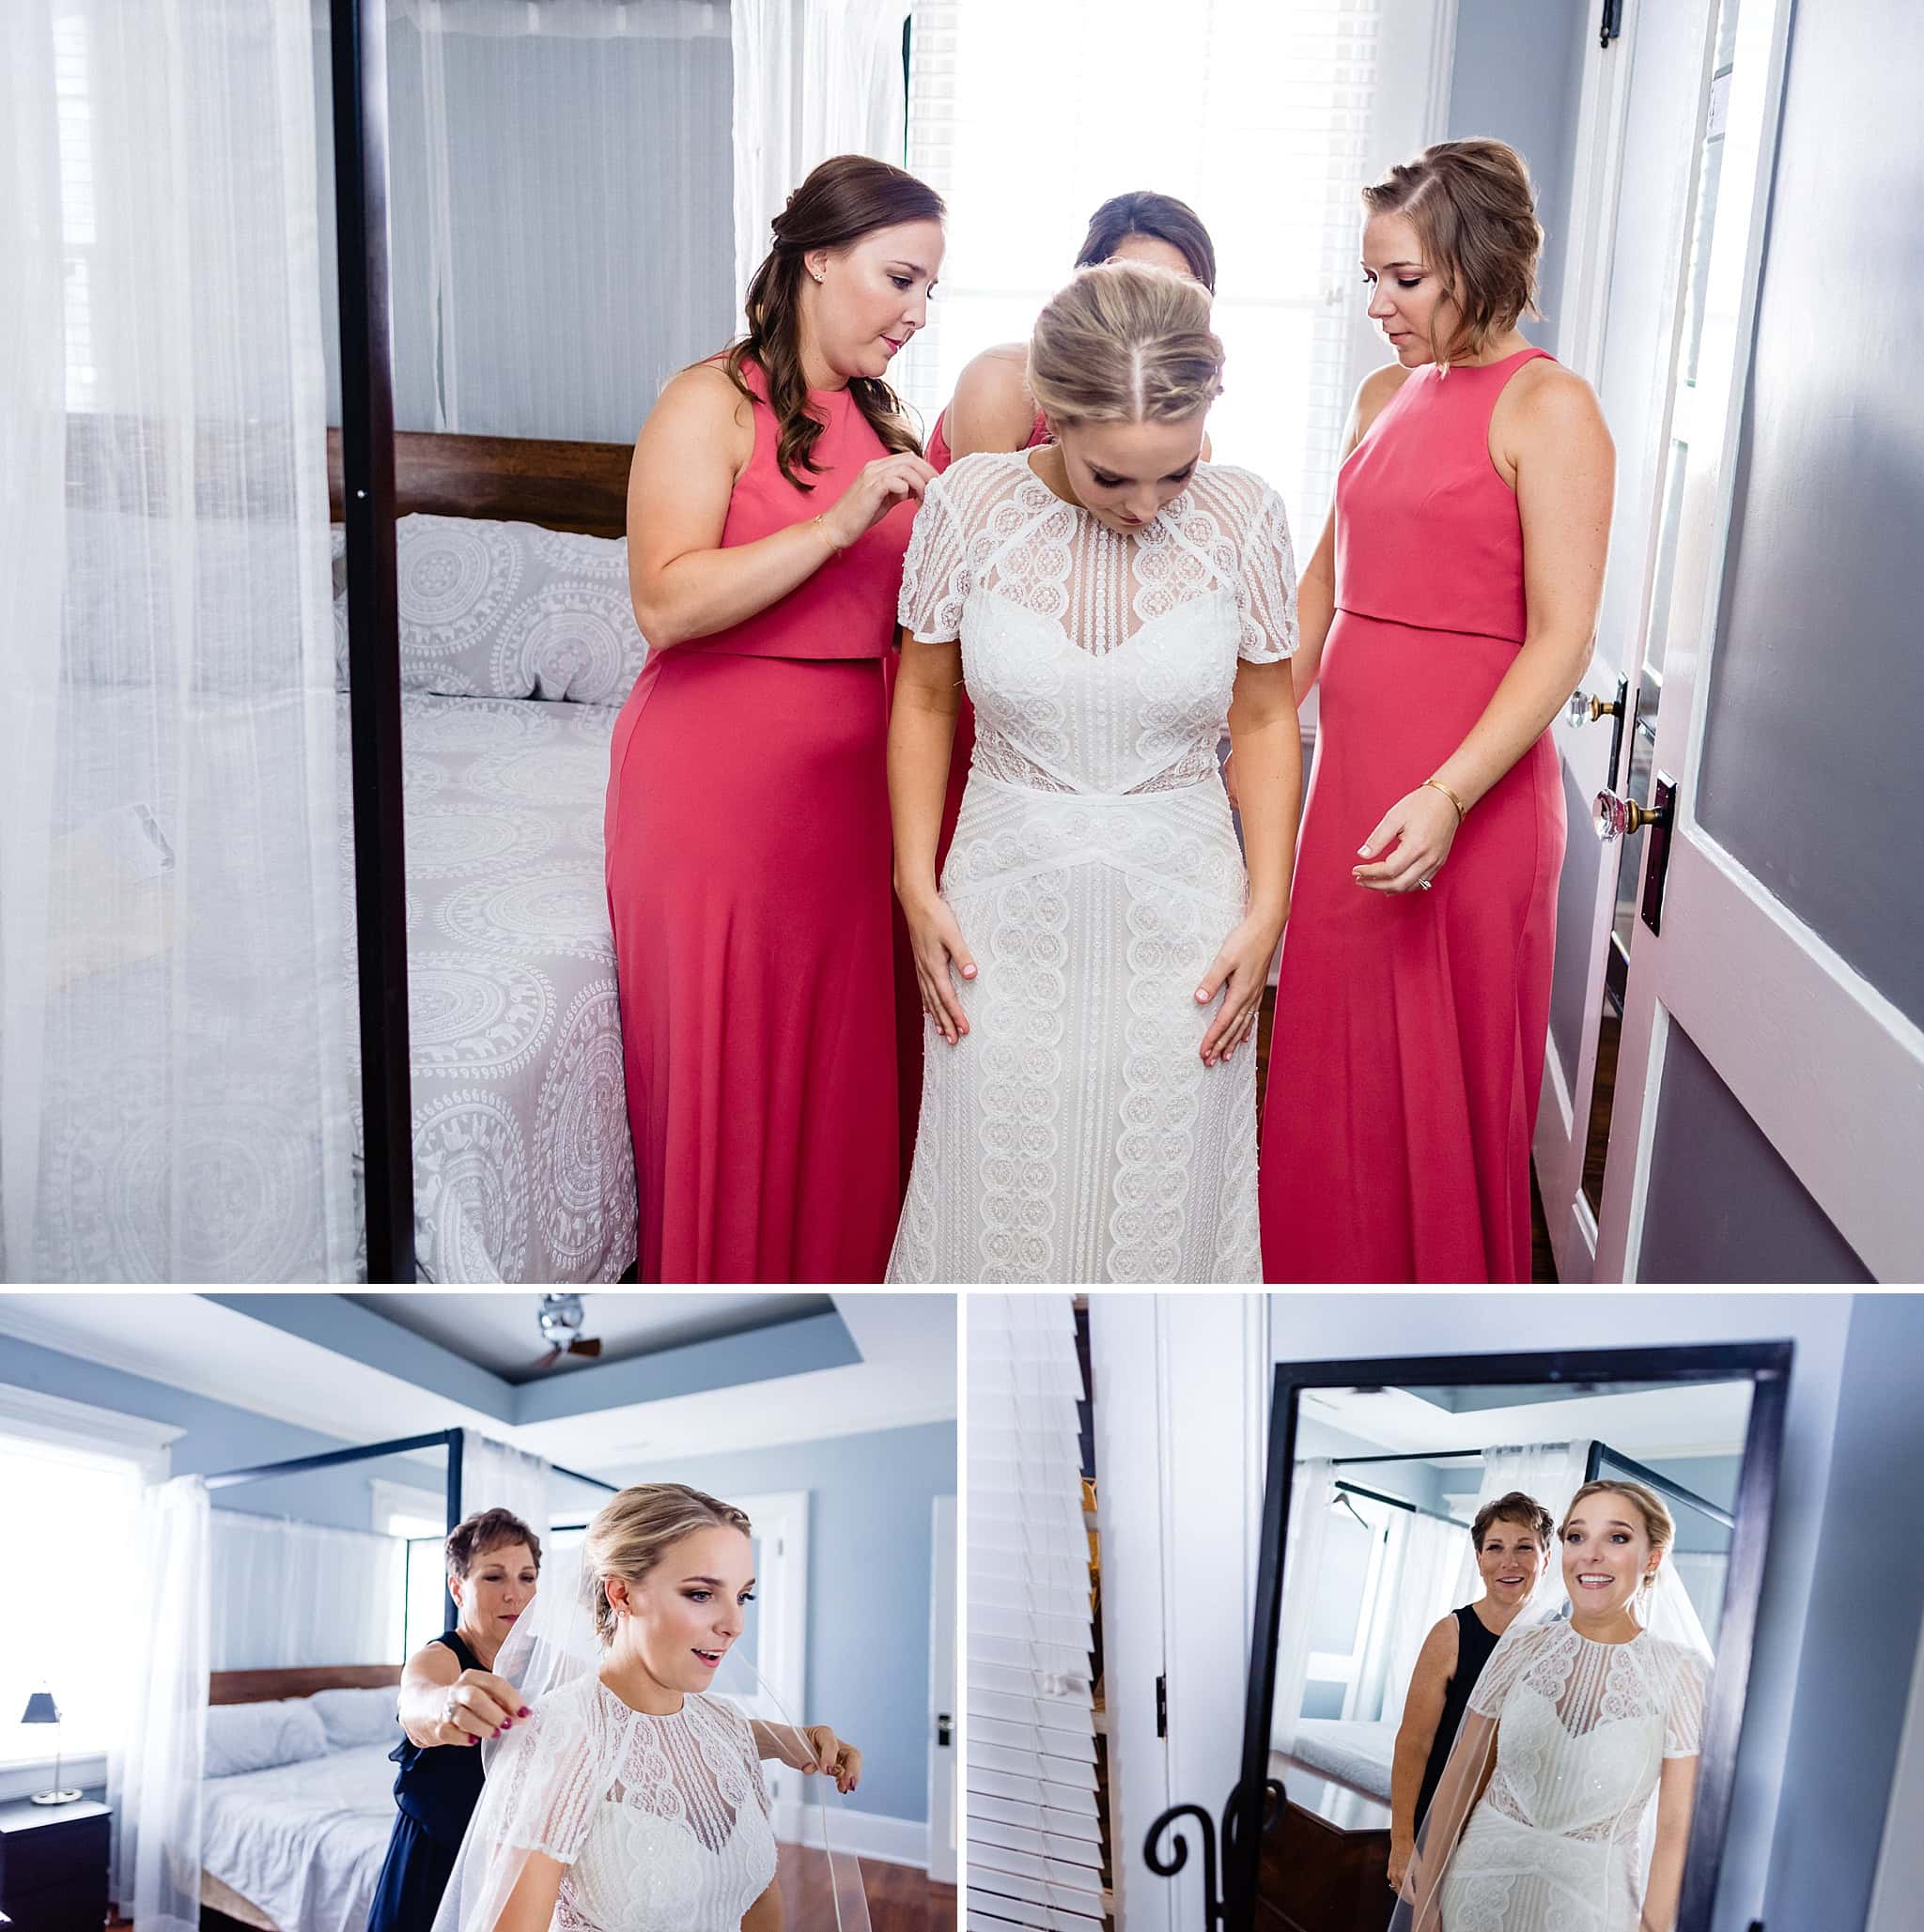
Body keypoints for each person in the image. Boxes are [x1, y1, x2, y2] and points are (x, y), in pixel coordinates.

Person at [886, 261, 1301, 1283]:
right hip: (999, 909)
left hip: (1186, 917)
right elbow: (926, 696)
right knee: (994, 1188)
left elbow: (1261, 718)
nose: (1146, 504)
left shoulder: (1245, 514)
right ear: (1052, 417)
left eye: (1177, 468)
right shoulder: (971, 504)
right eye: (1111, 476)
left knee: (1168, 1202)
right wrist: (912, 877)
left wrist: (1268, 903)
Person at [1259, 139, 1613, 1283]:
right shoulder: (1382, 392)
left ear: (1477, 260)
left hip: (1470, 797)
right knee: (1331, 1072)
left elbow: (1561, 637)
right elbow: (1323, 579)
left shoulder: (1549, 406)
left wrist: (1448, 792)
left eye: (1400, 279)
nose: (1376, 305)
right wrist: (1251, 725)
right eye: (1368, 278)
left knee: (1438, 1081)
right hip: (1351, 782)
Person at [611, 155, 943, 1283]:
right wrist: (837, 522)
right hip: (717, 787)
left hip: (849, 798)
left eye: (928, 290)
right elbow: (663, 600)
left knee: (840, 1081)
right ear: (814, 261)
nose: (914, 311)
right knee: (730, 1080)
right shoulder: (707, 400)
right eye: (898, 278)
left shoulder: (888, 421)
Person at [888, 192, 1220, 1177]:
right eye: (1132, 282)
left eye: (1179, 295)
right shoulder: (1003, 404)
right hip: (999, 714)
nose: (1143, 503)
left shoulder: (1187, 462)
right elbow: (997, 619)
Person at [371, 1506, 856, 1932]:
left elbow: (642, 1723)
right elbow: (417, 1703)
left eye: (527, 1577)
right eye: (493, 1577)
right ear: (458, 1588)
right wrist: (446, 1707)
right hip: (438, 1854)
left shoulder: (553, 1665)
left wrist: (791, 1739)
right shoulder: (441, 1657)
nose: (514, 1595)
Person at [1395, 1480, 1709, 1932]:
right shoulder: (1520, 1645)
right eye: (1577, 1537)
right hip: (1476, 1887)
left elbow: (1677, 1828)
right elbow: (1461, 1776)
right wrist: (1426, 1908)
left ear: (1652, 1558)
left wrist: (1652, 1926)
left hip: (1592, 1908)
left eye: (1616, 1537)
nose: (1590, 1554)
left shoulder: (1682, 1673)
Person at [1387, 1491, 1554, 1900]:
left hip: (1515, 1837)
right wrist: (1402, 1842)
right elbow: (1414, 1743)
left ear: (1546, 1558)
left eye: (1524, 1548)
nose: (1508, 1562)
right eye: (1495, 1548)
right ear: (1479, 1559)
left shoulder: (1559, 1643)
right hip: (1442, 1824)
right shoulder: (1451, 1634)